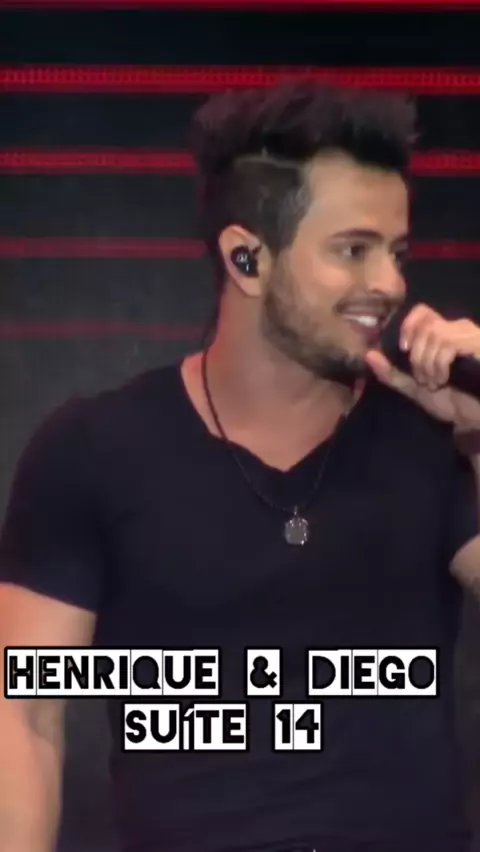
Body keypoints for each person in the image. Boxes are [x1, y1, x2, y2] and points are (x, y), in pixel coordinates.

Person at [0, 80, 480, 852]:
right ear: (247, 258)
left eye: (396, 254)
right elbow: (24, 716)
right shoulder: (93, 450)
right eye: (353, 250)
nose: (390, 285)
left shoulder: (433, 439)